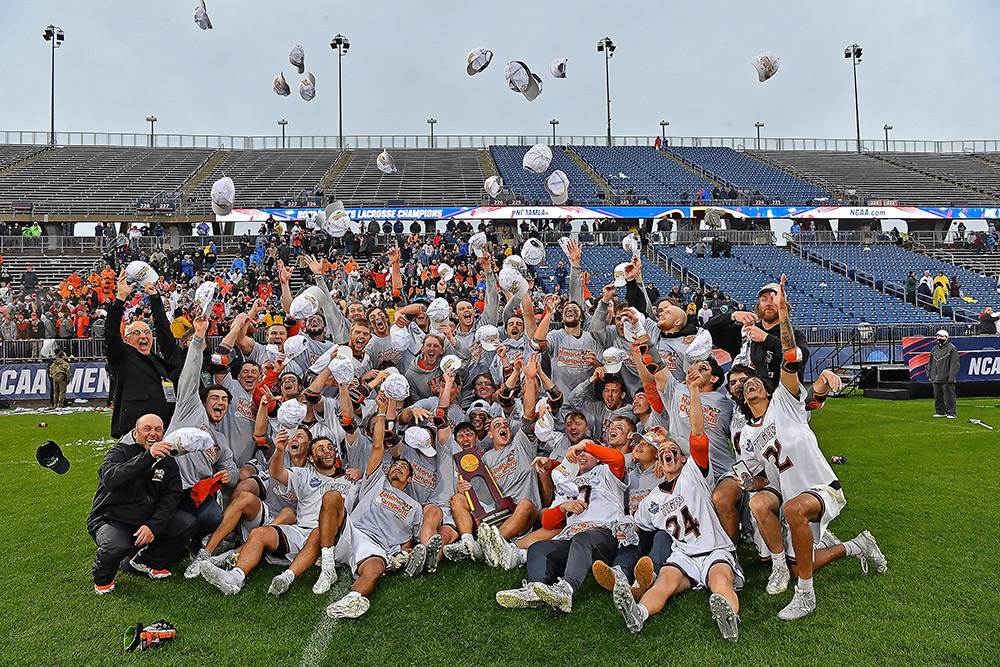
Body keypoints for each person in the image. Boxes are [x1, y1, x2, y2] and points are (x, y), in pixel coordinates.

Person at [740, 276, 887, 620]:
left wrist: (783, 317)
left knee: (793, 510)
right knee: (764, 508)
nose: (748, 385)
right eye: (743, 385)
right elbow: (759, 478)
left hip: (820, 488)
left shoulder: (784, 400)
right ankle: (853, 546)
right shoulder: (746, 434)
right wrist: (746, 482)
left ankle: (805, 595)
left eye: (754, 381)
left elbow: (792, 358)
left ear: (766, 386)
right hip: (788, 492)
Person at [494, 439, 627, 613]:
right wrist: (562, 507)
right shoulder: (568, 482)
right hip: (572, 539)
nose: (582, 454)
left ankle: (566, 590)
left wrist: (584, 446)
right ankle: (534, 590)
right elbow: (547, 522)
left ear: (598, 457)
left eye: (587, 451)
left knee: (583, 538)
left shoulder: (606, 472)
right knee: (538, 547)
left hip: (604, 534)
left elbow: (618, 459)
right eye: (579, 452)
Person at [87, 413, 197, 594]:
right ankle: (103, 580)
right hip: (111, 518)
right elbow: (112, 480)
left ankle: (148, 561)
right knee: (116, 546)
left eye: (158, 429)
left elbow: (172, 497)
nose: (153, 434)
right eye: (147, 429)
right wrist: (148, 457)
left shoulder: (168, 461)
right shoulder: (118, 452)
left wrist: (153, 526)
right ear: (135, 433)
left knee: (187, 523)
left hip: (144, 520)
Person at [105, 271, 180, 438]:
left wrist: (155, 298)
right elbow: (111, 334)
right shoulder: (123, 357)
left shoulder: (156, 361)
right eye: (137, 333)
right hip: (135, 431)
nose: (143, 336)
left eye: (147, 332)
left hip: (163, 429)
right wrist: (120, 298)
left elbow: (163, 330)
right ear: (126, 339)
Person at [928, 329, 959, 418]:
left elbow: (954, 364)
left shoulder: (951, 348)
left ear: (946, 338)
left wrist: (951, 377)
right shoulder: (934, 349)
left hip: (946, 376)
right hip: (935, 376)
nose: (939, 338)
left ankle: (951, 412)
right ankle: (940, 411)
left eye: (941, 336)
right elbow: (931, 362)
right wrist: (929, 374)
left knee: (949, 396)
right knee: (938, 396)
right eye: (938, 336)